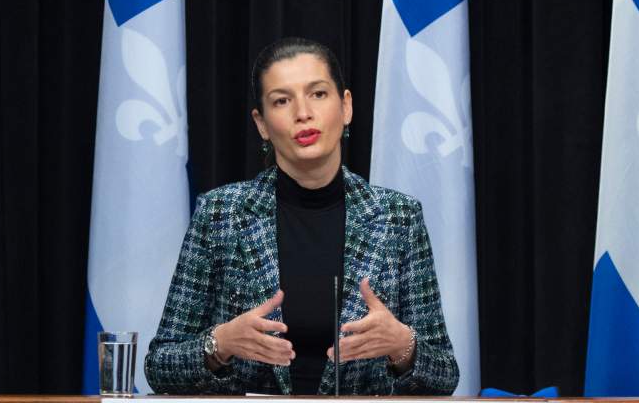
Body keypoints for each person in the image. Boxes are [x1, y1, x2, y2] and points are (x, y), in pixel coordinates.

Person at [145, 37, 459, 395]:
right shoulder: (221, 214)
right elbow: (159, 365)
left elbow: (445, 374)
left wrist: (403, 344)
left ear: (346, 107)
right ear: (262, 124)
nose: (302, 113)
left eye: (318, 94)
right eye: (282, 100)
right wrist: (220, 344)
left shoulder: (398, 217)